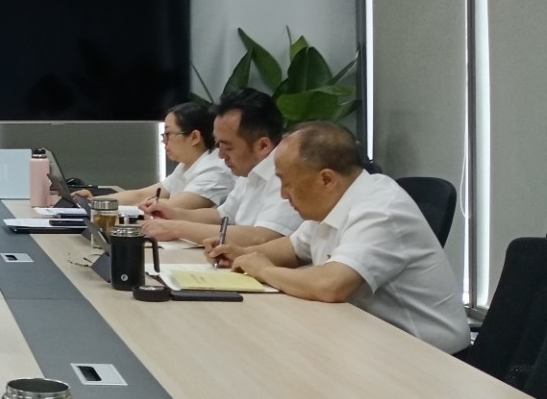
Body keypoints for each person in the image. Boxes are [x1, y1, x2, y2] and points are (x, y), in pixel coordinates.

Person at [215, 121, 468, 352]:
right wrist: (242, 255)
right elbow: (293, 249)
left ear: (326, 179)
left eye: (287, 182)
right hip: (371, 337)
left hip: (428, 355)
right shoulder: (333, 200)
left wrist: (263, 269)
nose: (282, 194)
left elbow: (331, 285)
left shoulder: (380, 209)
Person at [141, 89, 301, 249]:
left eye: (228, 147)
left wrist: (177, 228)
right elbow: (223, 215)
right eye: (218, 145)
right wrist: (175, 214)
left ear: (263, 145)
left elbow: (262, 237)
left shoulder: (289, 173)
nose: (221, 155)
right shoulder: (248, 168)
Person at [89, 100, 233, 211]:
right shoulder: (186, 165)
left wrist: (100, 207)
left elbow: (169, 208)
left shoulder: (215, 169)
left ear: (194, 137)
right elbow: (141, 194)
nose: (164, 141)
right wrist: (93, 201)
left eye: (168, 134)